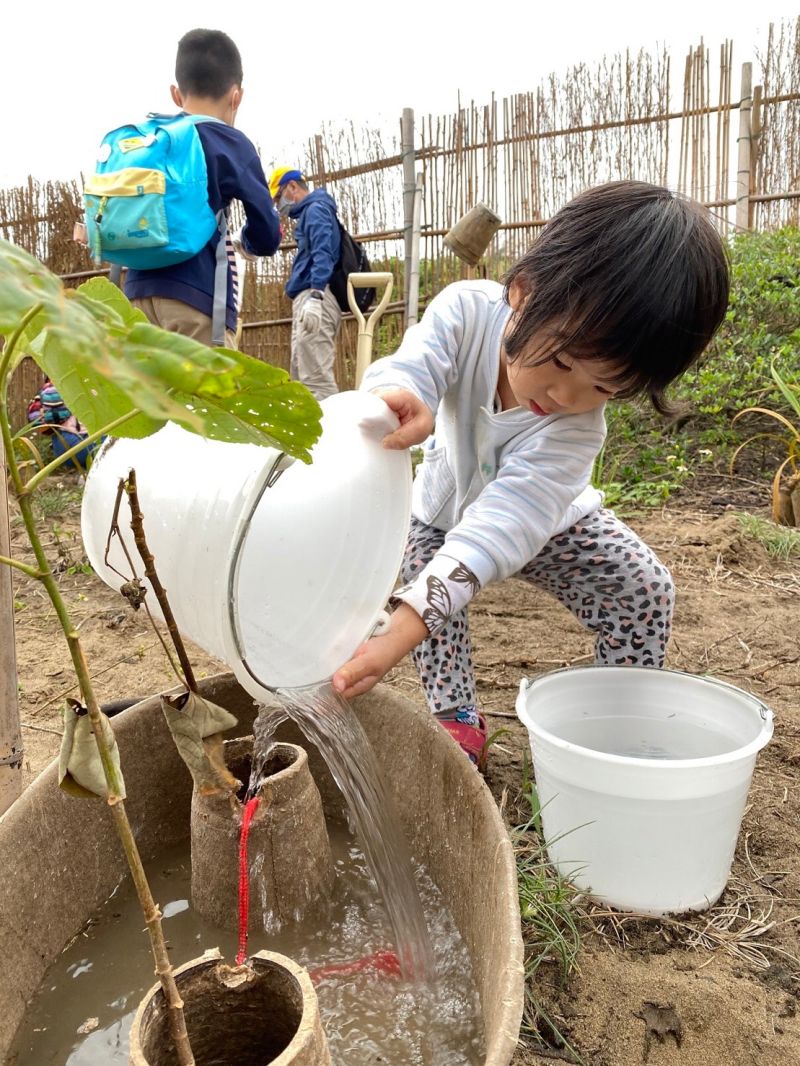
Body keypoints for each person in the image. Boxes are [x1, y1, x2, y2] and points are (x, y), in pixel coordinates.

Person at [332, 180, 730, 770]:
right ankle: (456, 716)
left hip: (546, 521)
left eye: (604, 387)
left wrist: (400, 631)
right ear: (522, 293)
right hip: (445, 509)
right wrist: (403, 393)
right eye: (563, 361)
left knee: (644, 588)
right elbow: (416, 359)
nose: (565, 394)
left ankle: (616, 718)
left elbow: (506, 524)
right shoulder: (467, 310)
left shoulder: (575, 430)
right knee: (427, 583)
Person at [124, 29, 282, 348]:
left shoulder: (149, 140)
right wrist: (248, 242)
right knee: (208, 398)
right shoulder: (230, 143)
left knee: (148, 398)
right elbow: (268, 232)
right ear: (236, 96)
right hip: (196, 299)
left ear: (176, 94)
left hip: (136, 297)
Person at [269, 167, 342, 399]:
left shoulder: (316, 209)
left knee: (316, 380)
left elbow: (324, 252)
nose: (279, 204)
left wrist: (317, 295)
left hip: (316, 294)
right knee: (302, 377)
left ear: (292, 186)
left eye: (279, 197)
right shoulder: (312, 211)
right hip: (310, 294)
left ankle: (332, 433)